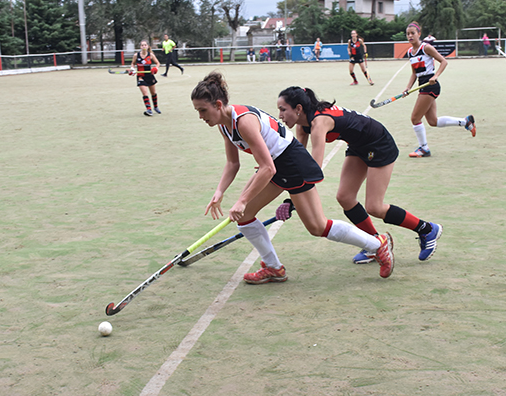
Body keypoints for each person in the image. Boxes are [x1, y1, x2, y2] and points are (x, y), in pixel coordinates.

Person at [191, 72, 395, 283]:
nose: (201, 116)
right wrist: (219, 192)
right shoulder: (225, 126)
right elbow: (233, 163)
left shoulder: (243, 122)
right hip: (276, 163)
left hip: (291, 163)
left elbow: (267, 168)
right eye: (197, 111)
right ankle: (273, 267)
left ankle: (377, 245)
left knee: (317, 226)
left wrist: (242, 200)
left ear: (217, 104)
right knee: (244, 217)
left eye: (203, 110)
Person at [276, 86, 442, 264]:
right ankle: (375, 244)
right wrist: (290, 197)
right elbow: (300, 162)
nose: (280, 116)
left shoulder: (319, 123)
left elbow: (313, 168)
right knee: (345, 197)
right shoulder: (303, 125)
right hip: (358, 146)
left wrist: (295, 200)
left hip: (379, 143)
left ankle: (426, 229)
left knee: (375, 207)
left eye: (283, 109)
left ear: (298, 109)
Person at [402, 22, 476, 158]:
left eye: (413, 33)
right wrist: (407, 88)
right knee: (433, 121)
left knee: (415, 118)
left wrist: (435, 76)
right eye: (408, 34)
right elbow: (414, 73)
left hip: (430, 85)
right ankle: (466, 121)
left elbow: (444, 61)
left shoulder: (426, 48)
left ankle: (424, 149)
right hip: (422, 85)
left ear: (419, 34)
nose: (410, 36)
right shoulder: (410, 53)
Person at [129, 40, 161, 116]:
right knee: (145, 93)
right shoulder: (136, 55)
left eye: (145, 45)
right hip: (141, 76)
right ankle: (149, 110)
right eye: (142, 45)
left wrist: (156, 68)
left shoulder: (151, 55)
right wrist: (132, 69)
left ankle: (155, 107)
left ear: (147, 46)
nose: (144, 46)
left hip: (149, 76)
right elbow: (133, 63)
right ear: (140, 47)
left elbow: (158, 63)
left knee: (153, 93)